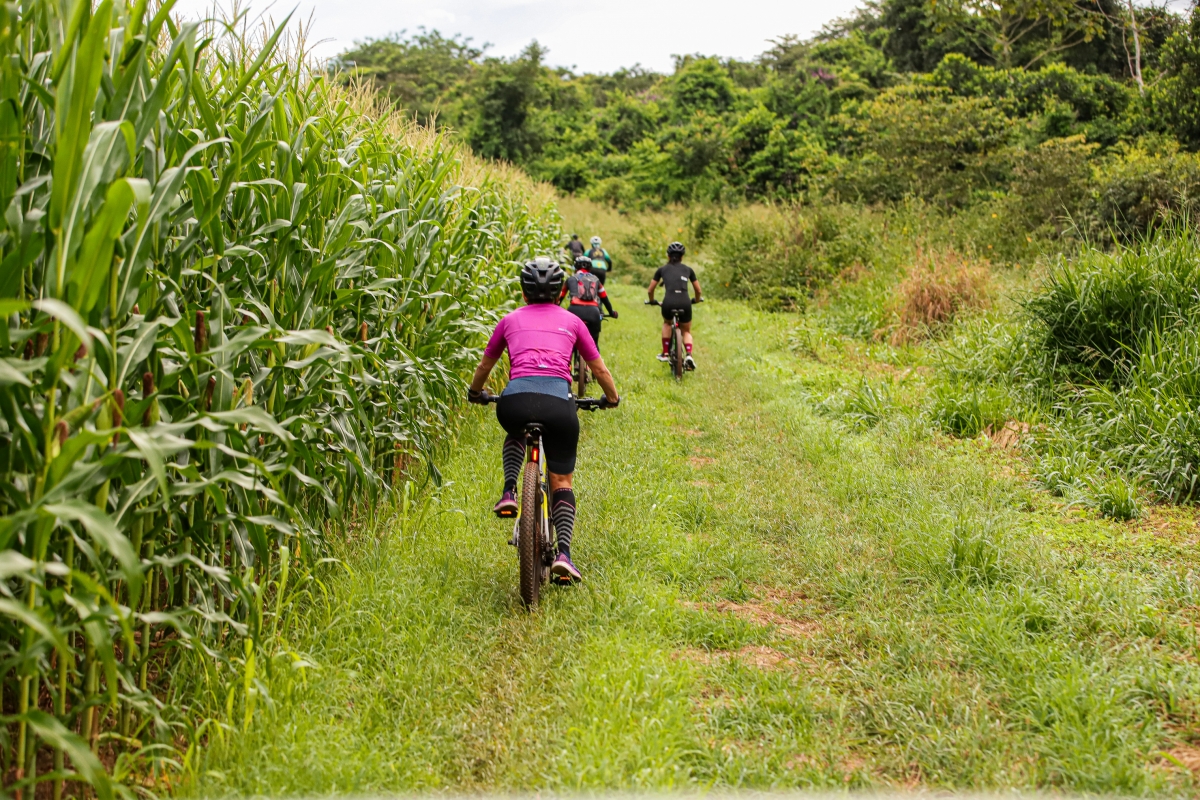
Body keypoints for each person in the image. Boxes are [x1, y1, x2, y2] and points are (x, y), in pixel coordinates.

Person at [468, 257, 620, 584]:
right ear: (558, 292)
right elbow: (598, 369)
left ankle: (509, 491)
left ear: (524, 293)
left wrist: (475, 392)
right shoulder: (573, 321)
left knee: (514, 430)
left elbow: (484, 366)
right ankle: (564, 554)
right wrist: (611, 397)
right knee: (561, 480)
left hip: (515, 401)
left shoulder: (509, 319)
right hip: (558, 405)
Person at [647, 241, 702, 370]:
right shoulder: (688, 270)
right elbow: (698, 290)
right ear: (682, 256)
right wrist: (696, 300)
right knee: (686, 331)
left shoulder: (662, 269)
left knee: (667, 323)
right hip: (685, 302)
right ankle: (689, 355)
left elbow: (650, 290)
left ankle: (665, 353)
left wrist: (652, 300)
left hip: (668, 302)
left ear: (668, 256)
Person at [562, 255, 617, 347]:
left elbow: (559, 298)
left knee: (569, 344)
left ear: (576, 267)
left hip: (574, 311)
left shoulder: (570, 279)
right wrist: (611, 312)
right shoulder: (596, 280)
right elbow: (605, 299)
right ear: (590, 268)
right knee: (594, 345)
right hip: (593, 312)